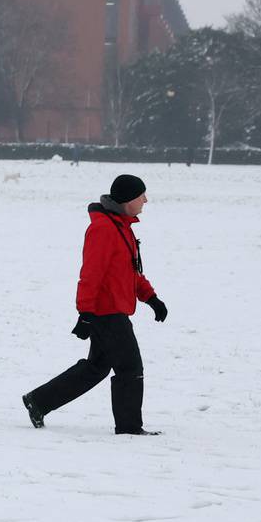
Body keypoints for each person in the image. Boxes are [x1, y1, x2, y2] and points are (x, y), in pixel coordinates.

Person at [21, 174, 168, 435]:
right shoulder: (103, 229)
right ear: (126, 200)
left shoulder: (123, 227)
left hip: (113, 310)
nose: (146, 200)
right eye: (141, 195)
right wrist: (85, 313)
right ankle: (129, 428)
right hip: (106, 312)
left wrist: (151, 298)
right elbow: (91, 274)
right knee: (130, 367)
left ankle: (39, 401)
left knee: (96, 367)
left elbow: (130, 272)